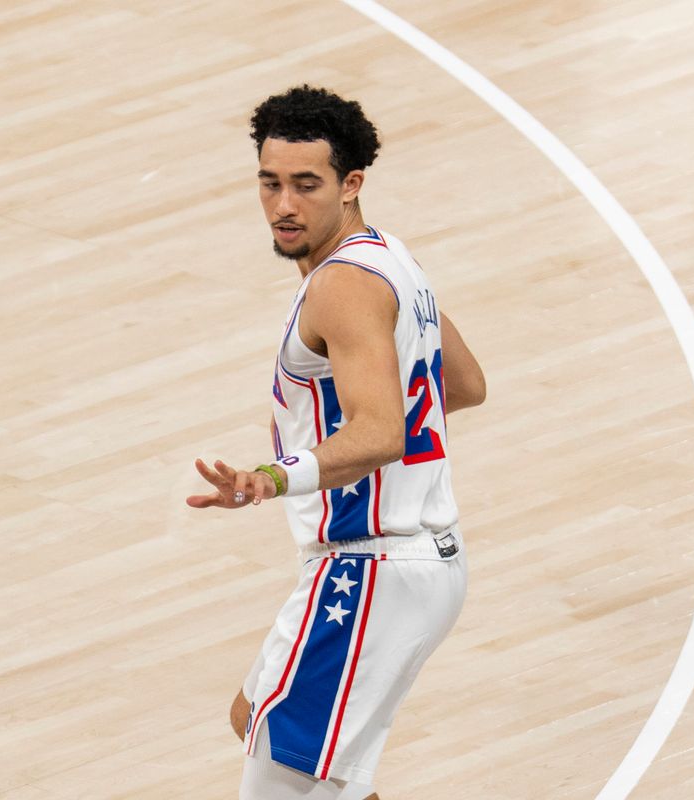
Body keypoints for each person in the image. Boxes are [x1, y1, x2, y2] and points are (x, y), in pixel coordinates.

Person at [186, 85, 486, 800]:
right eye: (270, 183)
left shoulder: (341, 286)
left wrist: (273, 475)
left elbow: (380, 432)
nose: (284, 205)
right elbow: (466, 383)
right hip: (413, 564)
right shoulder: (391, 259)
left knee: (285, 772)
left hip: (371, 568)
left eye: (306, 185)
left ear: (350, 184)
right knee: (257, 720)